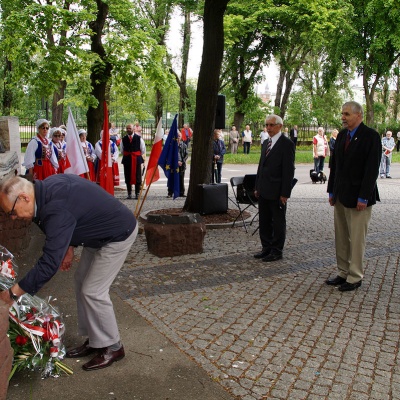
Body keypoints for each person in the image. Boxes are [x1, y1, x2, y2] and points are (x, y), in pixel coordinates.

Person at [0, 174, 138, 371]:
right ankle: (97, 340)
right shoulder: (44, 191)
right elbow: (77, 210)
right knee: (81, 280)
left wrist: (13, 293)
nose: (13, 218)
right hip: (97, 233)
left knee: (93, 290)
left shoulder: (54, 207)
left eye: (12, 212)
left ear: (24, 197)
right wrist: (69, 244)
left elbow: (49, 263)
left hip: (117, 234)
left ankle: (113, 347)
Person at [326, 101, 381, 292]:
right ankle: (343, 272)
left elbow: (371, 169)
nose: (343, 117)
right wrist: (331, 191)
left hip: (359, 198)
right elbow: (335, 166)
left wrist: (363, 197)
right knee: (341, 237)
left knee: (356, 239)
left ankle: (355, 276)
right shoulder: (341, 136)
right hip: (341, 195)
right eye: (342, 113)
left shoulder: (371, 136)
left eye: (347, 114)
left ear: (359, 115)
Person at [254, 115, 295, 262]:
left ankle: (277, 250)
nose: (269, 128)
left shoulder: (286, 144)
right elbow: (261, 166)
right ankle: (266, 247)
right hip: (264, 189)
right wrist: (257, 186)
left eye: (271, 125)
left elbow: (288, 171)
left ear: (280, 126)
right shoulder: (266, 142)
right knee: (264, 221)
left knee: (277, 222)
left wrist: (285, 193)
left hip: (277, 191)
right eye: (267, 125)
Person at [121, 124, 146, 199]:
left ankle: (137, 193)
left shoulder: (139, 138)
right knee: (127, 175)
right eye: (127, 128)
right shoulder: (124, 139)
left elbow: (143, 149)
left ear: (133, 129)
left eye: (130, 128)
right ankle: (129, 193)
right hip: (127, 159)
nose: (128, 129)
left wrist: (136, 155)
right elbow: (122, 150)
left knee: (137, 175)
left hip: (136, 159)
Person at [168, 132, 188, 198]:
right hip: (174, 165)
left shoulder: (184, 145)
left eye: (179, 136)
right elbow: (170, 155)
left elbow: (186, 155)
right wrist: (176, 162)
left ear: (181, 137)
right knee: (172, 178)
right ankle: (170, 192)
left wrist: (182, 161)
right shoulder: (172, 146)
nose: (178, 138)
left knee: (181, 179)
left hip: (182, 165)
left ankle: (181, 192)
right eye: (177, 136)